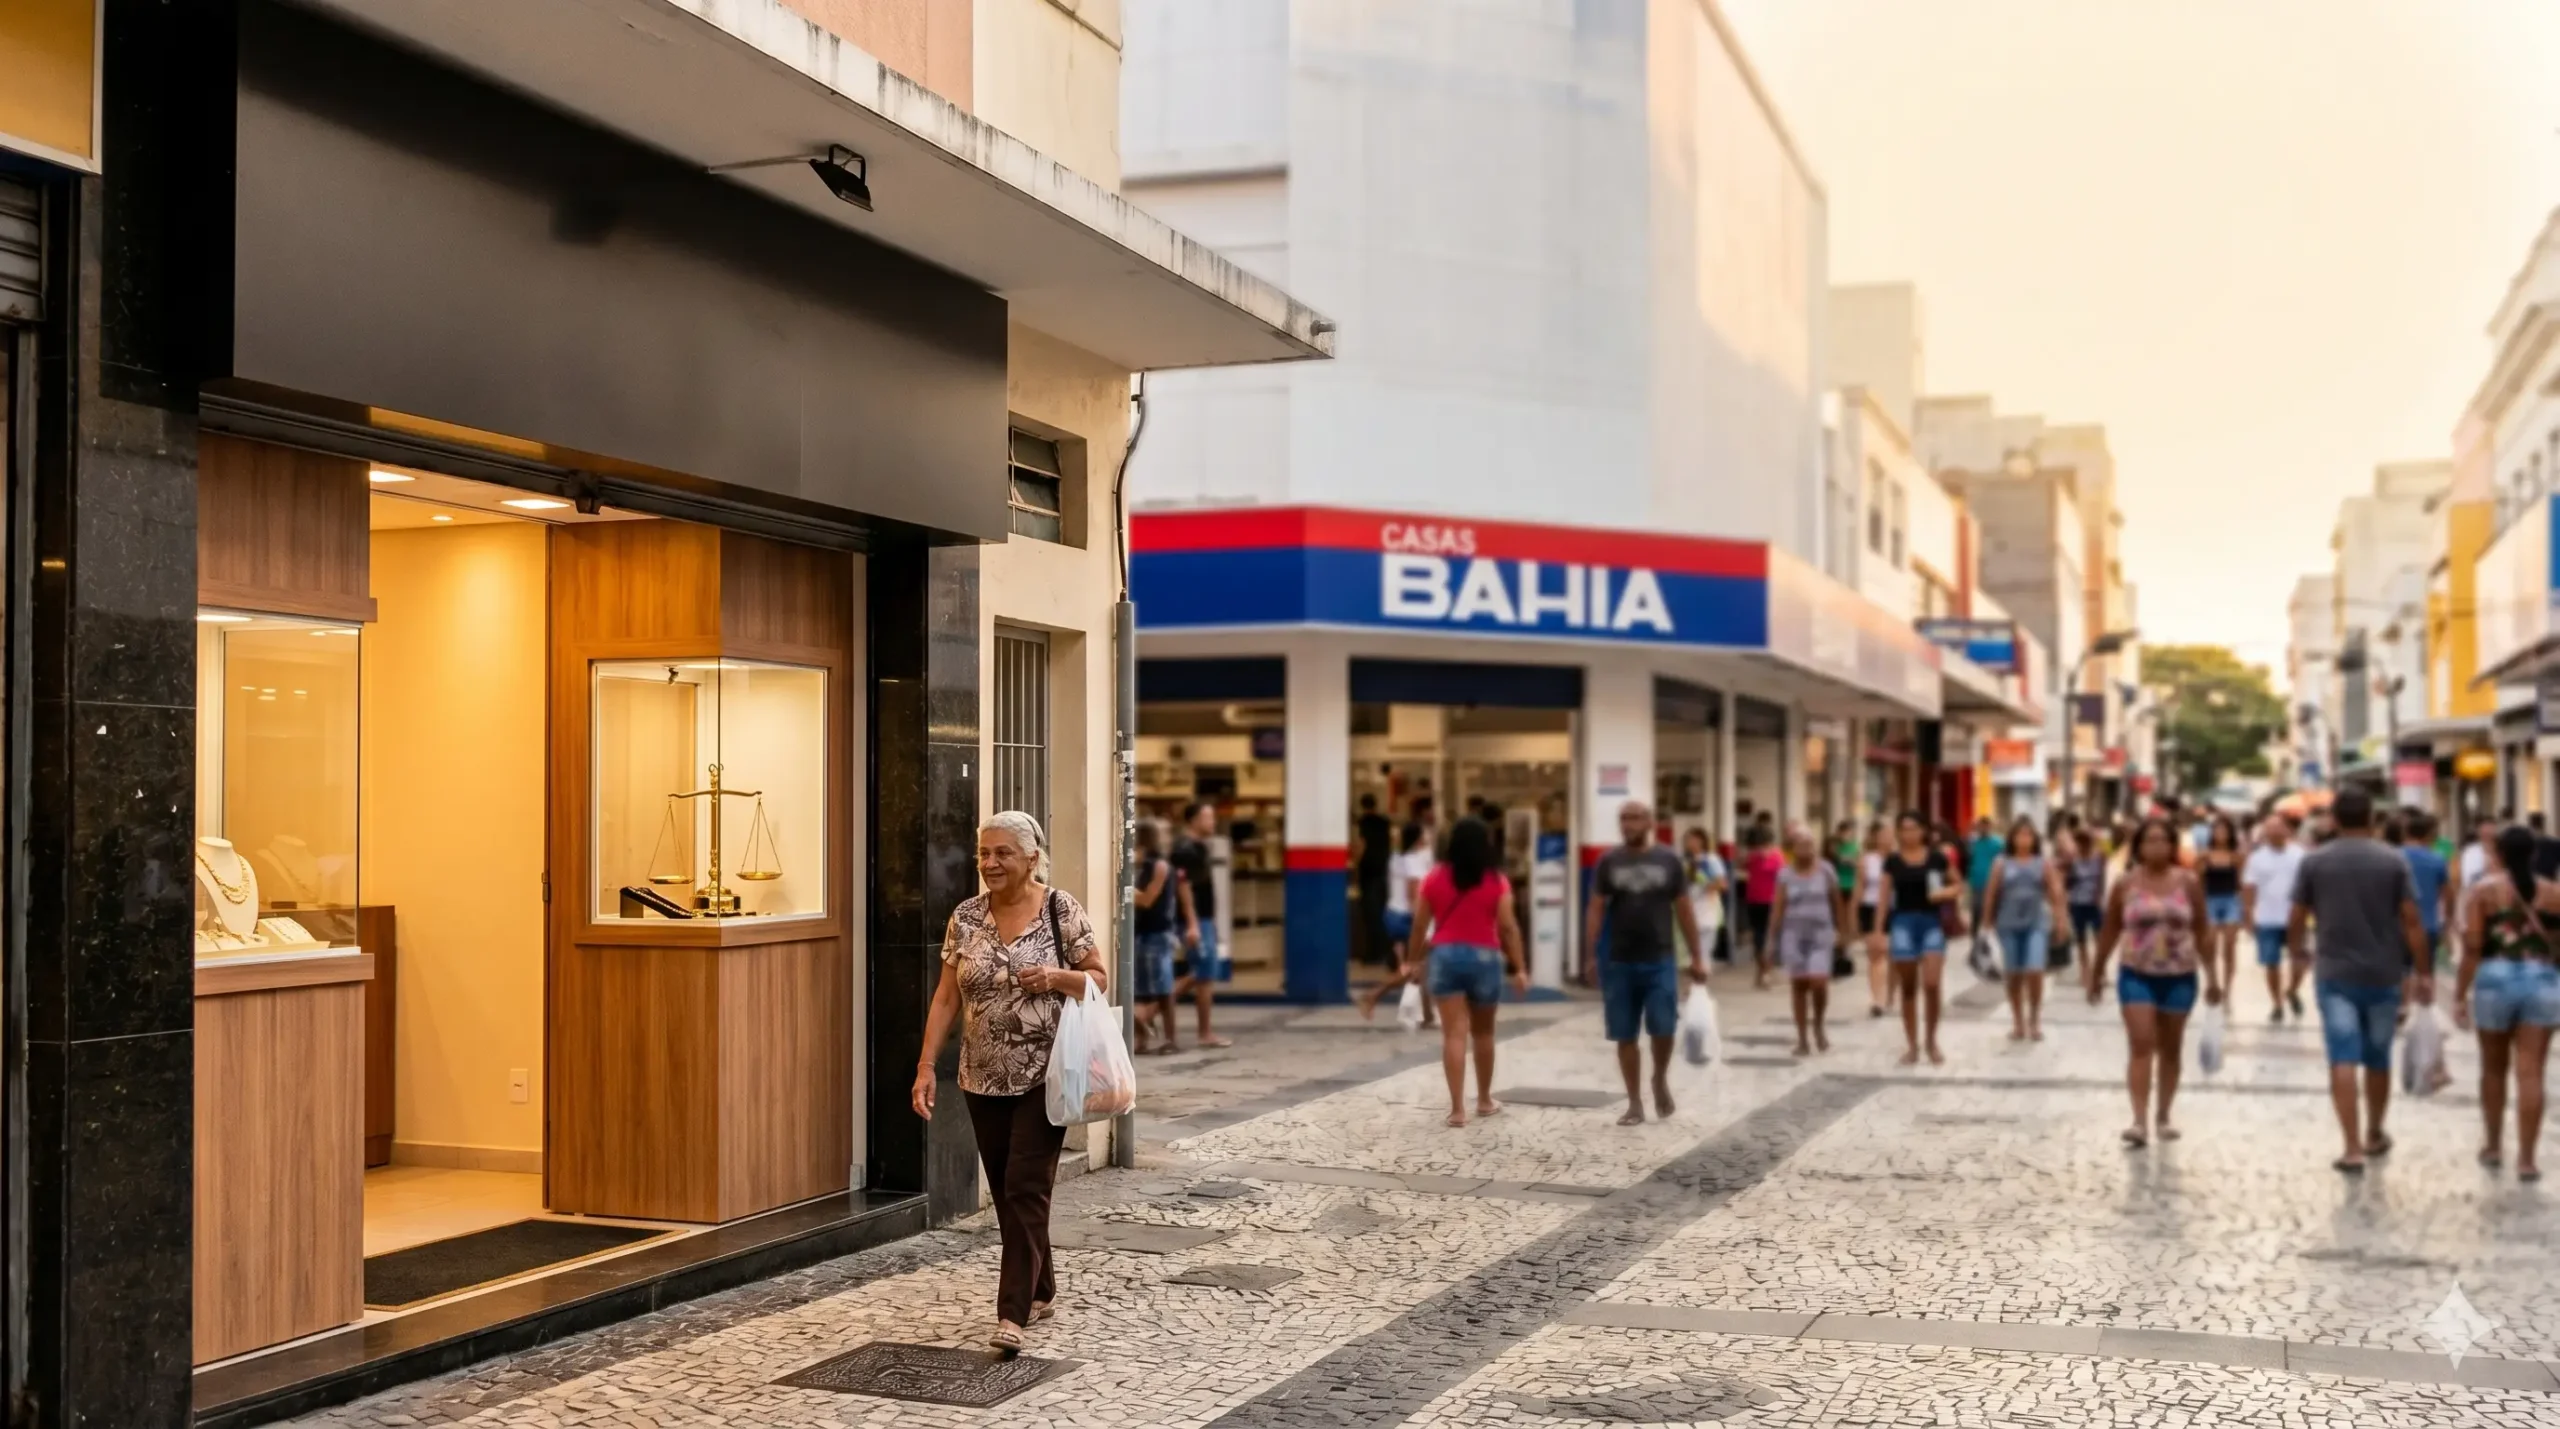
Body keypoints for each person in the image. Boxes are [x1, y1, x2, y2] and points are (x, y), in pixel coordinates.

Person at [912, 811, 1106, 1356]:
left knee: (1025, 1187)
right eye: (984, 854)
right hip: (981, 1076)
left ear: (1031, 857)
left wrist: (1054, 977)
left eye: (1002, 854)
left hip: (1047, 1075)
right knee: (1006, 1192)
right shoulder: (966, 917)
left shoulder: (1059, 909)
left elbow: (1098, 976)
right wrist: (927, 1065)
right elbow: (947, 996)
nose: (990, 863)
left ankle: (1012, 1312)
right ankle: (1043, 1286)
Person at [2288, 788, 2435, 1175]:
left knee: (2342, 1056)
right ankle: (2373, 1131)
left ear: (2334, 819)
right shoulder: (2393, 861)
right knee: (2377, 1058)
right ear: (2372, 818)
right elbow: (2412, 921)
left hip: (2335, 974)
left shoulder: (2314, 862)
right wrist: (2424, 972)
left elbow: (2297, 914)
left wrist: (2297, 954)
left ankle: (2351, 1147)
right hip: (2384, 974)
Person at [2087, 817, 2219, 1148]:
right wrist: (2096, 969)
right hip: (2136, 972)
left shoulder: (2188, 882)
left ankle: (2163, 1114)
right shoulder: (2125, 884)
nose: (2156, 846)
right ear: (2139, 846)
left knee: (2171, 1048)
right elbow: (2110, 929)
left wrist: (2213, 975)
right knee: (2142, 1042)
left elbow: (2203, 929)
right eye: (2149, 840)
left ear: (2173, 845)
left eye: (2163, 840)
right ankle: (2139, 1120)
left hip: (2180, 975)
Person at [1587, 801, 1705, 1125]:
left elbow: (1684, 909)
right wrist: (1590, 954)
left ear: (1650, 822)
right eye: (1624, 818)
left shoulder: (1669, 860)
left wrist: (1697, 956)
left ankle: (1659, 1078)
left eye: (1636, 817)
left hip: (1660, 959)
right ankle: (1635, 1102)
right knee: (1625, 1034)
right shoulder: (1608, 862)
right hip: (1620, 961)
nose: (1629, 823)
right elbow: (1596, 908)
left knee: (1663, 1028)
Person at [1408, 816, 1528, 1127]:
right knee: (1484, 1033)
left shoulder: (1433, 879)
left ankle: (1457, 1110)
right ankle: (1485, 1100)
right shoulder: (1496, 879)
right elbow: (1507, 926)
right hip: (1485, 958)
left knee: (1453, 1034)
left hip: (1445, 957)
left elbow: (1420, 925)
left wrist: (1412, 960)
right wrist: (1519, 966)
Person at [2457, 824, 2560, 1180]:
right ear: (2533, 854)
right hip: (2542, 980)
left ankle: (2494, 1144)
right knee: (2531, 1071)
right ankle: (2528, 1159)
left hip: (2494, 979)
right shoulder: (2553, 893)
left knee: (2493, 1068)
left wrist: (2458, 994)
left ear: (2497, 853)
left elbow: (2472, 947)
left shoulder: (2483, 893)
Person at [1881, 811, 1958, 1065]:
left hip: (1930, 922)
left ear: (1923, 831)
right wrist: (1877, 931)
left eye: (1913, 828)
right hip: (1902, 922)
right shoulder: (1892, 861)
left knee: (1932, 983)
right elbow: (1883, 897)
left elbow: (1958, 884)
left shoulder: (1937, 858)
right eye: (1904, 829)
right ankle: (1912, 1045)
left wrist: (1945, 892)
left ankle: (1931, 1040)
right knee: (1908, 986)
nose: (1909, 833)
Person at [1986, 819, 2069, 1042]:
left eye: (2028, 835)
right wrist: (1986, 925)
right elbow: (1991, 894)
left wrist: (2060, 920)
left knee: (2035, 970)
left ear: (2035, 840)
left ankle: (2034, 1019)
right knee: (2013, 975)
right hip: (2008, 924)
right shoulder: (2001, 863)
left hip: (2036, 923)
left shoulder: (2043, 863)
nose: (2024, 839)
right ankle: (2017, 1021)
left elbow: (2055, 893)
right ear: (2012, 838)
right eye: (2019, 835)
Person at [1769, 829, 1845, 1055]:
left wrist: (1843, 932)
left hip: (1821, 933)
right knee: (1799, 985)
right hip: (1793, 933)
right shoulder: (1785, 874)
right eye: (1801, 845)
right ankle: (1802, 1038)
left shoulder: (1826, 870)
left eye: (1810, 844)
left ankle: (1818, 1024)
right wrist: (1770, 939)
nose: (1807, 850)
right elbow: (1778, 907)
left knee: (1819, 982)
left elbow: (1837, 902)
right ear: (1793, 849)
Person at [1357, 822, 1439, 1025]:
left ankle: (1427, 1016)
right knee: (1414, 965)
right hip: (1407, 918)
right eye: (1425, 835)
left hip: (1393, 915)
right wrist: (1422, 922)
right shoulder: (1413, 861)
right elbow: (1414, 896)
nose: (1427, 839)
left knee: (1419, 967)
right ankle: (1373, 995)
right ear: (1418, 838)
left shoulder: (1396, 857)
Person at [1167, 801, 1233, 1049]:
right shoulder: (1186, 850)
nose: (1212, 822)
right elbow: (1183, 887)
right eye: (1207, 817)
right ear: (1192, 820)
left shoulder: (1199, 848)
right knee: (1204, 974)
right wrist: (1193, 922)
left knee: (1204, 972)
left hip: (1204, 918)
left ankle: (1152, 1009)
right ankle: (1152, 1010)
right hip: (1195, 920)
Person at [1127, 817, 1188, 1056]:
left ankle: (1170, 1038)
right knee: (1142, 988)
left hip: (1157, 933)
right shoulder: (1140, 867)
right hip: (1141, 932)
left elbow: (1148, 899)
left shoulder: (1158, 866)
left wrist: (1124, 889)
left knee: (1163, 989)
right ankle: (1141, 1039)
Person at [2241, 815, 2307, 1022]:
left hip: (2295, 917)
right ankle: (2276, 1003)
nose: (2275, 832)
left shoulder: (2300, 855)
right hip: (2267, 917)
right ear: (2264, 833)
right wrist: (2249, 914)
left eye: (2279, 828)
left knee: (2301, 959)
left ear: (2287, 831)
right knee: (2271, 963)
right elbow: (2249, 887)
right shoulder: (2257, 858)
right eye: (2270, 829)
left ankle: (2292, 990)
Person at [2398, 811, 2453, 978]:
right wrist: (2447, 925)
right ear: (2429, 835)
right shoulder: (2437, 859)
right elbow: (2448, 896)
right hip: (2428, 926)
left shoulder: (2392, 856)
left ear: (2406, 833)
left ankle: (2405, 1002)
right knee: (2426, 975)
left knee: (2401, 974)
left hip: (2397, 927)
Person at [2199, 815, 2245, 998]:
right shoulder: (2204, 856)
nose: (2220, 833)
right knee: (2210, 943)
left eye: (2224, 830)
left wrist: (2246, 909)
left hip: (2231, 899)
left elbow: (2242, 883)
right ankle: (2212, 981)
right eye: (2217, 830)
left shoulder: (2237, 857)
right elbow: (2199, 883)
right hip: (2210, 899)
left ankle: (2228, 987)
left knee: (2229, 945)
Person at [1853, 820, 1893, 1017]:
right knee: (1875, 954)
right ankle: (1877, 998)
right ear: (1875, 837)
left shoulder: (1898, 858)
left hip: (1894, 909)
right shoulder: (1867, 860)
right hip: (1870, 907)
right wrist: (1853, 915)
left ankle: (1889, 994)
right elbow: (1859, 888)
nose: (1887, 838)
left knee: (1891, 954)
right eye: (1883, 833)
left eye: (1890, 833)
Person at [1681, 826, 1729, 970]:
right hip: (1690, 909)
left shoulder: (1710, 860)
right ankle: (1695, 984)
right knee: (1692, 951)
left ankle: (1699, 984)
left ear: (1701, 841)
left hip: (1707, 909)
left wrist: (1706, 887)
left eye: (1691, 839)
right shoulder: (1686, 861)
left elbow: (1722, 884)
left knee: (1703, 950)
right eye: (1686, 839)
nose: (1688, 842)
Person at [1354, 793, 1393, 967]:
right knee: (1383, 912)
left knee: (1370, 915)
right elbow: (1392, 842)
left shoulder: (1364, 823)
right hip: (1383, 871)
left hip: (1368, 873)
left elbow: (1361, 845)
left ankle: (1373, 953)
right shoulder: (1384, 822)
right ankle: (1386, 951)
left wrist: (1356, 864)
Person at [1741, 826, 1783, 989]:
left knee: (1769, 937)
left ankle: (1764, 972)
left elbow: (1782, 878)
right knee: (1759, 937)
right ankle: (1763, 971)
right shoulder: (1752, 857)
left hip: (1771, 901)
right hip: (1754, 900)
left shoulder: (1776, 857)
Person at [2064, 825, 2107, 971]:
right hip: (2077, 902)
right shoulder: (2072, 859)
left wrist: (2100, 896)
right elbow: (2067, 883)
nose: (2083, 846)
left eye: (2086, 842)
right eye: (2080, 843)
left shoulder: (2099, 857)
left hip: (2093, 903)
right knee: (2081, 940)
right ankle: (2085, 971)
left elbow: (2102, 879)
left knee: (2099, 939)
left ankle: (2101, 970)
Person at [1965, 817, 2003, 952]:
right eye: (1980, 826)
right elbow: (1968, 858)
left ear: (1989, 827)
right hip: (1976, 882)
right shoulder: (1972, 842)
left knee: (1992, 913)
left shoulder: (1998, 843)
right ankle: (1975, 945)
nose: (1983, 829)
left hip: (1993, 883)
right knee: (1976, 913)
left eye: (1985, 826)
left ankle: (1991, 944)